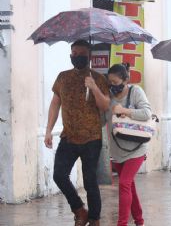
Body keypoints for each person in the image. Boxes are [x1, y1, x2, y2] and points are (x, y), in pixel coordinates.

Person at [44, 40, 110, 226]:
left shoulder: (98, 78)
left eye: (81, 53)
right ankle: (80, 210)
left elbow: (105, 106)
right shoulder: (63, 77)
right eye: (74, 53)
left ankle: (95, 219)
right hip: (69, 137)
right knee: (59, 175)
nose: (76, 56)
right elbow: (55, 104)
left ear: (89, 56)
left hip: (92, 138)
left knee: (90, 182)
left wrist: (94, 87)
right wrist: (48, 130)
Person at [107, 63, 151, 226]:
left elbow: (146, 112)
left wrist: (125, 110)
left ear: (126, 80)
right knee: (129, 186)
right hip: (117, 149)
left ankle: (122, 223)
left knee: (124, 183)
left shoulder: (136, 92)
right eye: (110, 82)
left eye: (116, 82)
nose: (113, 86)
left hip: (136, 149)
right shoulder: (109, 96)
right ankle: (139, 221)